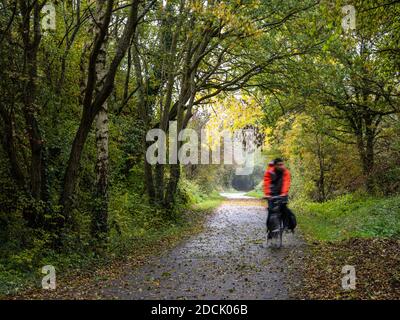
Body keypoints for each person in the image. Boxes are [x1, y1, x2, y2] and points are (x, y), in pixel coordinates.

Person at [263, 158, 296, 232]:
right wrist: (267, 194)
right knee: (271, 210)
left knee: (284, 208)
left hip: (282, 193)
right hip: (272, 194)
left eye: (282, 164)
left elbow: (286, 183)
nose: (281, 166)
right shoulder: (269, 172)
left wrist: (284, 193)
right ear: (275, 165)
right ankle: (270, 228)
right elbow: (266, 183)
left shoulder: (286, 172)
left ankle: (287, 225)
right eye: (279, 165)